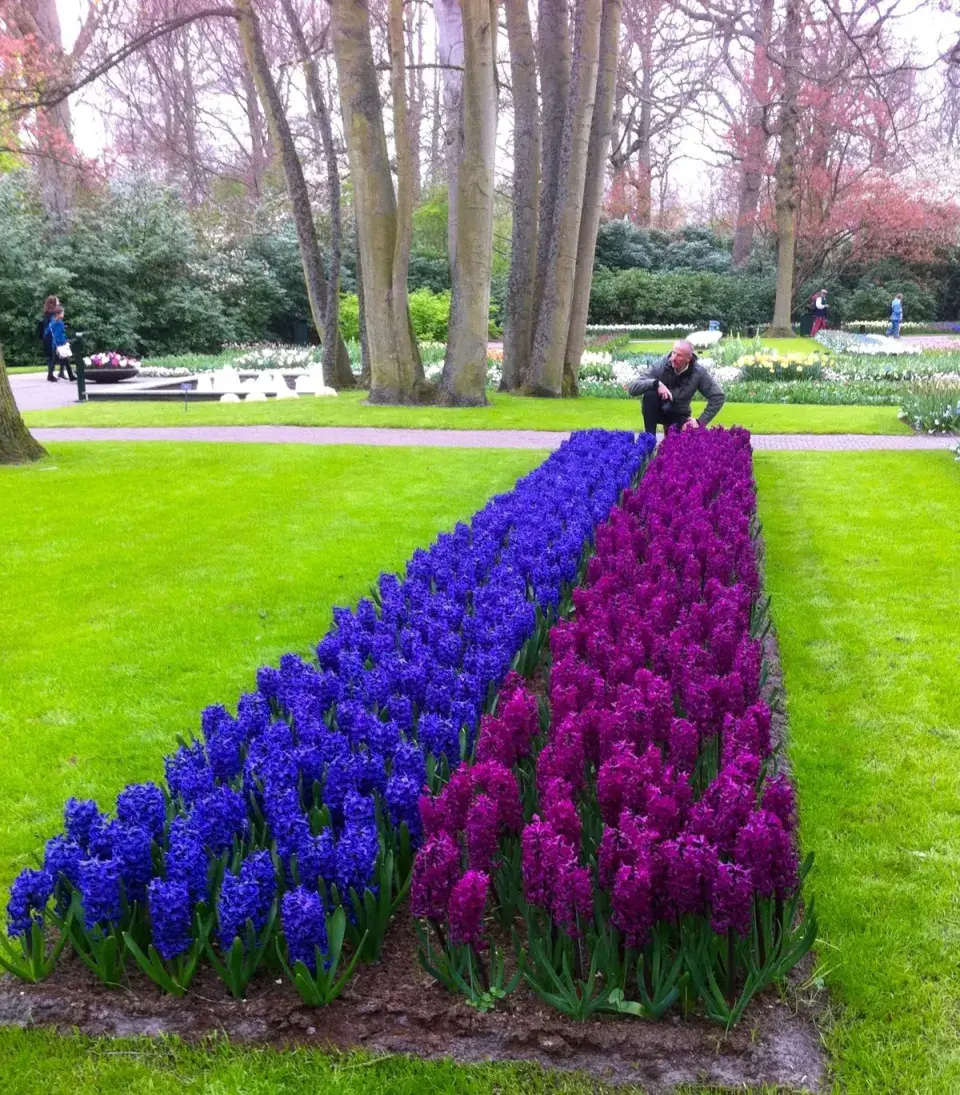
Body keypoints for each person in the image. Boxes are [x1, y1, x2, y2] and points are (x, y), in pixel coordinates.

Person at [627, 339, 725, 436]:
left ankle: (670, 432)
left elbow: (718, 396)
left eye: (679, 355)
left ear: (688, 358)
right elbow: (632, 388)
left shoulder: (698, 372)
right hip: (657, 411)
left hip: (679, 413)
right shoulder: (660, 366)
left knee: (684, 443)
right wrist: (657, 384)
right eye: (673, 353)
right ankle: (649, 439)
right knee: (650, 394)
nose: (673, 358)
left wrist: (700, 422)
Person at [44, 305, 75, 382]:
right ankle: (50, 376)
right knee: (54, 361)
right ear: (58, 314)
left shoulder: (58, 322)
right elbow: (50, 333)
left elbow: (61, 333)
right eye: (62, 313)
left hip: (60, 344)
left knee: (66, 361)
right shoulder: (55, 323)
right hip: (57, 345)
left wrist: (64, 341)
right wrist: (62, 342)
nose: (63, 314)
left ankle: (70, 376)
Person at [38, 295, 60, 381]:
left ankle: (50, 373)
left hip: (46, 336)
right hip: (52, 336)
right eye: (57, 301)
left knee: (49, 357)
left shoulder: (46, 313)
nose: (59, 302)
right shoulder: (54, 314)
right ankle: (50, 374)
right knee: (53, 356)